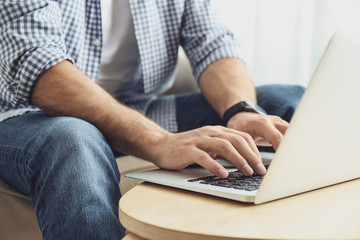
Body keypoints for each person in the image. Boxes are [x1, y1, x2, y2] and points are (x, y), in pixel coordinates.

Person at [0, 1, 304, 239]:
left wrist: (240, 110)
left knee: (286, 100)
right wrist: (158, 141)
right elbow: (37, 64)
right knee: (73, 140)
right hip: (26, 116)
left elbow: (213, 42)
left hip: (140, 108)